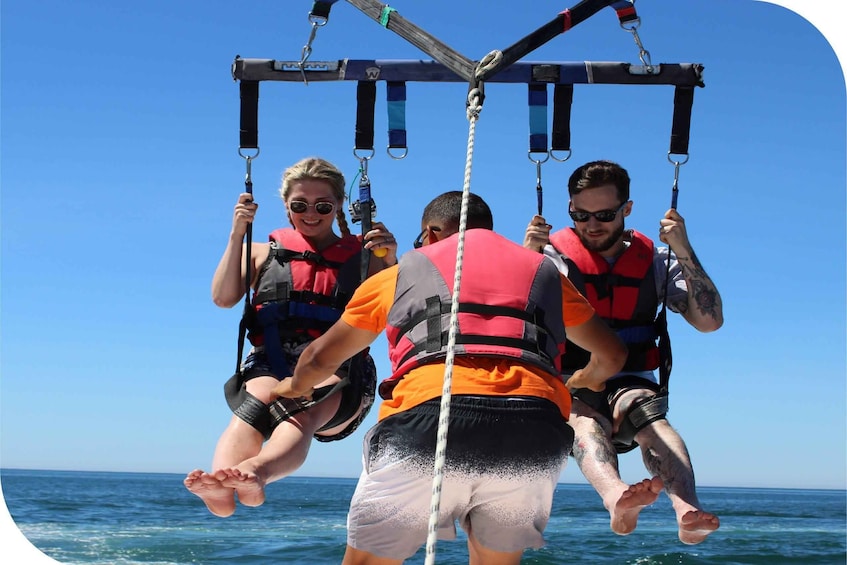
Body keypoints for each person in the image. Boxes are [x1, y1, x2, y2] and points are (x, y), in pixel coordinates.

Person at [274, 190, 628, 565]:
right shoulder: (544, 274)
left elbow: (319, 359)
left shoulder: (404, 271)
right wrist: (585, 379)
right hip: (534, 431)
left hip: (427, 421)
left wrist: (293, 387)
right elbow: (612, 355)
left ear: (430, 233)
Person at [184, 156, 398, 517]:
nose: (310, 213)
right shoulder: (261, 253)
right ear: (286, 207)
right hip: (272, 362)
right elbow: (223, 298)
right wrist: (237, 233)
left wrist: (390, 260)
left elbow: (397, 312)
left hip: (339, 368)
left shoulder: (365, 259)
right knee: (252, 408)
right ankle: (221, 488)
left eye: (322, 205)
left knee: (299, 408)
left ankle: (257, 472)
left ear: (339, 206)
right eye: (300, 205)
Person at [524, 159, 723, 544]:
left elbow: (709, 321)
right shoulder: (552, 260)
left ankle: (686, 509)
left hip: (632, 376)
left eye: (604, 214)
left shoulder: (655, 262)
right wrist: (525, 257)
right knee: (584, 423)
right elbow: (512, 320)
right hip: (576, 380)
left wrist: (683, 248)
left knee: (652, 420)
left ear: (627, 209)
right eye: (579, 215)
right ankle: (616, 498)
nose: (591, 225)